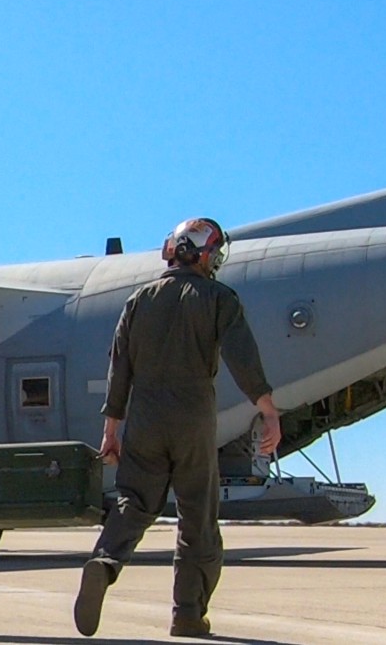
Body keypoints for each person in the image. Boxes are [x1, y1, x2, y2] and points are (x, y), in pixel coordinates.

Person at [74, 218, 281, 640]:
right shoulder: (219, 298)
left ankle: (106, 562)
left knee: (134, 501)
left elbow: (119, 369)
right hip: (192, 418)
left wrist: (110, 430)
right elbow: (242, 357)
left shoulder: (139, 300)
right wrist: (268, 409)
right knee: (197, 518)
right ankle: (188, 614)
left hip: (145, 418)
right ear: (206, 256)